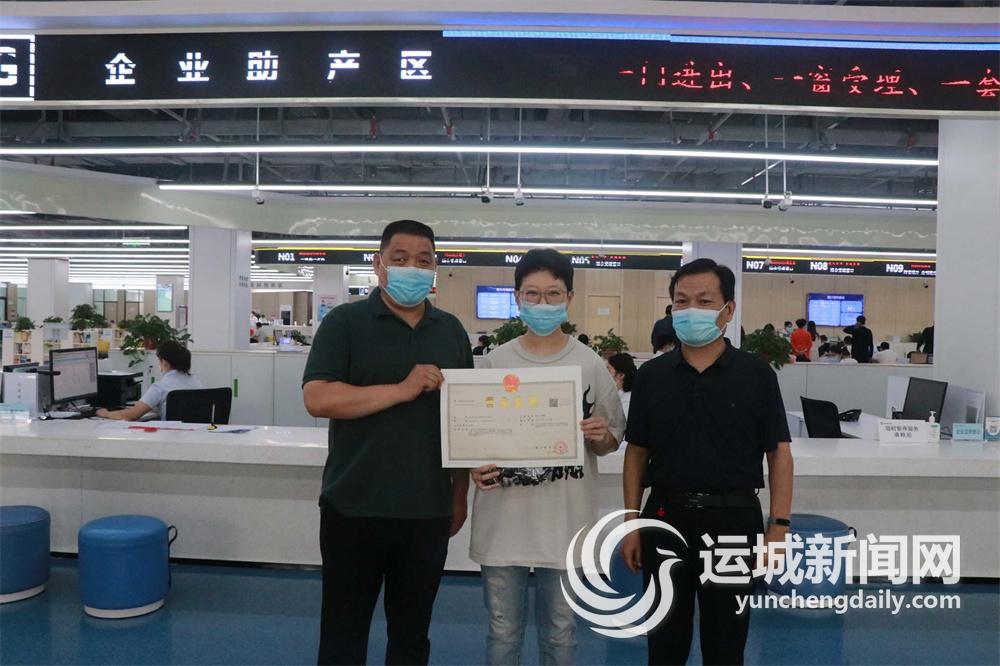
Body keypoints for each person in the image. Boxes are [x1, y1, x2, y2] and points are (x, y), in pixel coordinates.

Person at [301, 219, 473, 666]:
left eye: (423, 260)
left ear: (435, 268)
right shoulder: (345, 323)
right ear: (378, 265)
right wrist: (400, 389)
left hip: (427, 512)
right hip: (353, 507)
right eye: (400, 259)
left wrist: (459, 495)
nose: (412, 268)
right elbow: (317, 398)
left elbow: (464, 421)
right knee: (343, 636)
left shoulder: (451, 331)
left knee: (412, 638)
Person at [621, 258, 793, 666]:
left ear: (727, 310)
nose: (690, 310)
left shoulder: (756, 375)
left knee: (726, 645)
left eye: (704, 301)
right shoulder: (652, 376)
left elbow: (779, 454)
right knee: (664, 644)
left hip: (733, 523)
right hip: (665, 519)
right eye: (681, 301)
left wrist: (778, 528)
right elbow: (637, 452)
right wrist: (631, 522)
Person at [468, 249, 625, 666]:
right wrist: (473, 466)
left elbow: (612, 439)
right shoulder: (495, 362)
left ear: (569, 297)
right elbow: (474, 436)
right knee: (503, 633)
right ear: (517, 297)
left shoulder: (590, 364)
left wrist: (600, 437)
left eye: (553, 293)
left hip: (566, 523)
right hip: (503, 523)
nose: (543, 303)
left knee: (560, 634)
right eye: (532, 293)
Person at [96, 341, 203, 421]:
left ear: (164, 362)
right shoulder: (196, 382)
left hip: (170, 436)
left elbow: (131, 415)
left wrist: (106, 413)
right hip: (195, 435)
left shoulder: (161, 387)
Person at [607, 352, 637, 420]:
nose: (604, 374)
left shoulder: (627, 402)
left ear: (621, 375)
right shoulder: (617, 393)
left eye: (608, 370)